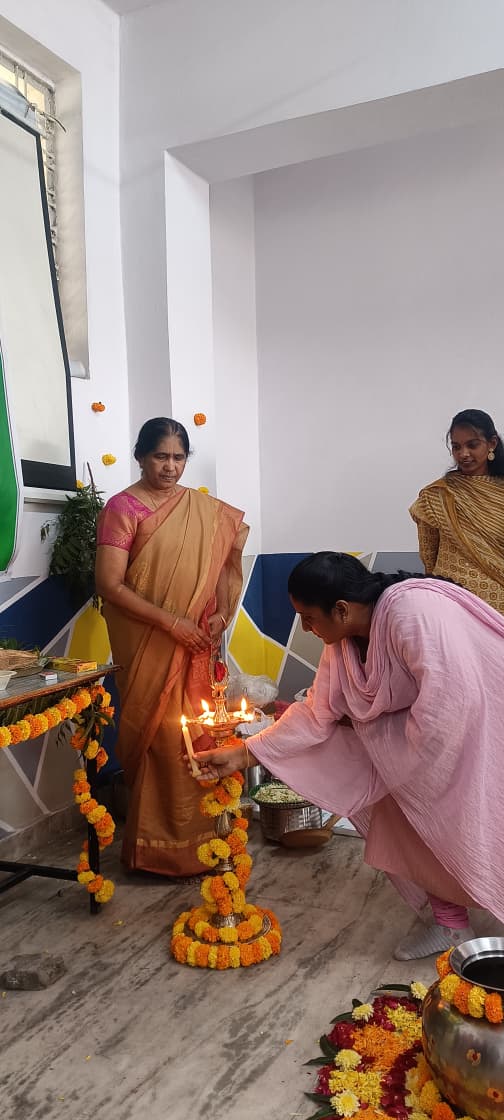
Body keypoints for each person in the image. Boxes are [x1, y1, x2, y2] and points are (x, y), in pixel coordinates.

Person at [194, 552, 504, 959]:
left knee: (486, 821)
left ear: (341, 609)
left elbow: (451, 701)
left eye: (309, 618)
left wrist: (397, 755)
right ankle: (450, 925)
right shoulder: (341, 641)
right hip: (421, 746)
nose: (307, 629)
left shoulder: (412, 611)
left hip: (486, 727)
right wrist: (244, 753)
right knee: (409, 818)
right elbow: (316, 712)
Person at [95, 417, 248, 876]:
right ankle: (159, 852)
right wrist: (171, 623)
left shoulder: (201, 510)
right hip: (149, 642)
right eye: (160, 456)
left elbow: (220, 570)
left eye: (179, 457)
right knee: (160, 736)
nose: (170, 467)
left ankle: (210, 840)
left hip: (195, 644)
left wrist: (220, 613)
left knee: (199, 732)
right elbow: (109, 584)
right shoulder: (123, 508)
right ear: (141, 457)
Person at [410, 408, 504, 613]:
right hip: (448, 606)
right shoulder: (437, 495)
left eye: (472, 445)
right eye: (456, 447)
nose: (463, 454)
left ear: (492, 444)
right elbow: (429, 557)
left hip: (498, 610)